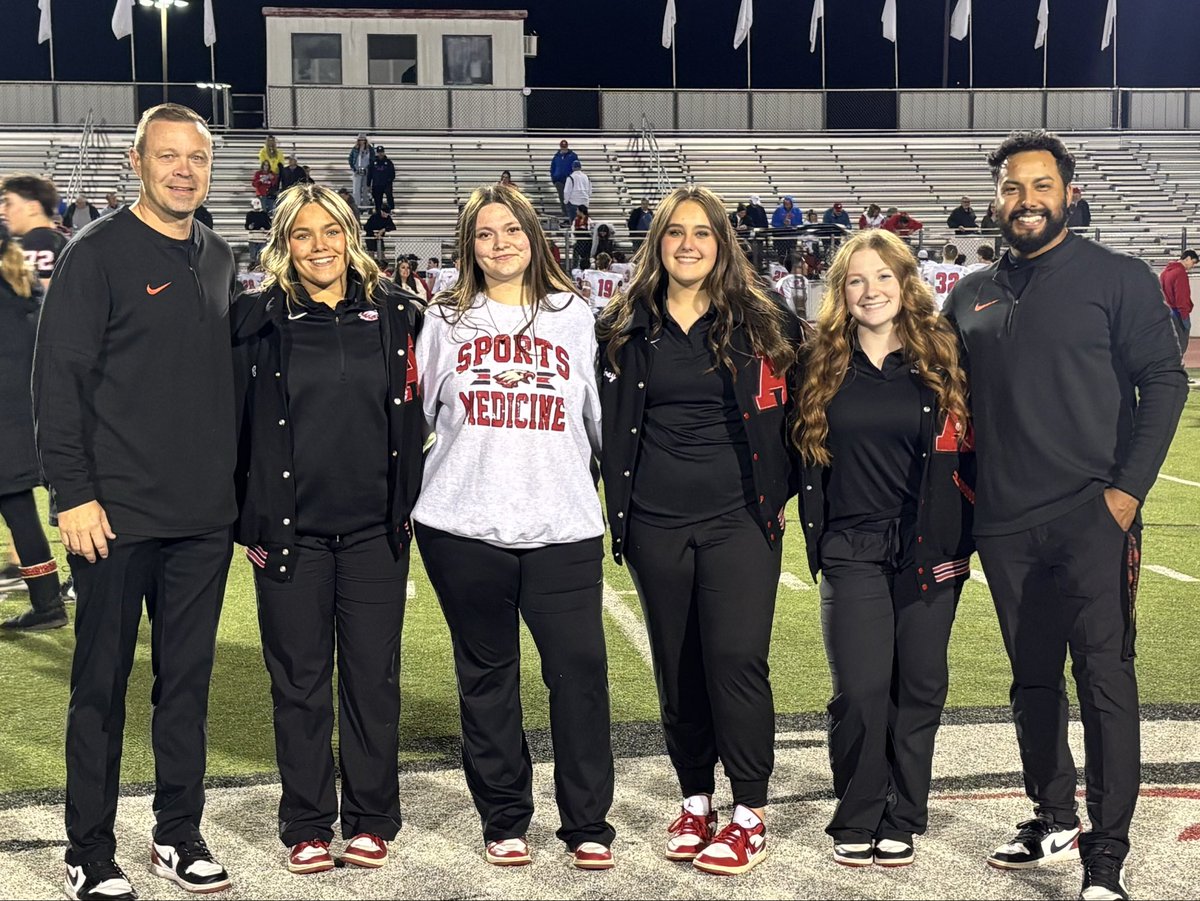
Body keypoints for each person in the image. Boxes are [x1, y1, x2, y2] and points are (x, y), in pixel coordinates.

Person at [943, 130, 1187, 901]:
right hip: (1006, 523)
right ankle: (1052, 813)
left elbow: (1166, 384)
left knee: (1105, 682)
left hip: (1093, 515)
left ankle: (1106, 858)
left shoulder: (1118, 277)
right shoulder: (969, 293)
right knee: (1032, 681)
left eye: (1041, 186)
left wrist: (1124, 496)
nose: (1026, 201)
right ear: (997, 199)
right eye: (1013, 188)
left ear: (1069, 193)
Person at [32, 102, 240, 901]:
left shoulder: (219, 254)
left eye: (197, 156)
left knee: (186, 685)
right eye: (168, 155)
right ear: (136, 161)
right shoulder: (97, 252)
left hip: (201, 521)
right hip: (113, 519)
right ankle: (87, 845)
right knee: (101, 686)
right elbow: (59, 382)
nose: (183, 169)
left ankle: (176, 831)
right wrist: (74, 496)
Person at [596, 185, 803, 877]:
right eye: (675, 232)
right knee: (678, 668)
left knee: (737, 660)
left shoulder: (764, 319)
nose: (688, 244)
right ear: (657, 244)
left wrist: (783, 493)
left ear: (722, 241)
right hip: (655, 523)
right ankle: (695, 797)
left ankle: (749, 811)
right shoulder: (623, 322)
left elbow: (807, 417)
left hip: (739, 519)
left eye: (702, 233)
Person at [412, 183, 615, 870]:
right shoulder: (445, 319)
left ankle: (588, 820)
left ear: (534, 236)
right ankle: (505, 817)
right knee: (487, 678)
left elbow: (600, 424)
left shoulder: (573, 316)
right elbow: (418, 418)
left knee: (579, 673)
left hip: (561, 526)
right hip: (463, 525)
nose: (499, 244)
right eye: (484, 234)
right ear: (468, 245)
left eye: (511, 230)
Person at [230, 182, 424, 877]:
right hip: (288, 536)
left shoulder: (399, 312)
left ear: (351, 235)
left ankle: (371, 817)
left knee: (373, 679)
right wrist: (241, 519)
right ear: (283, 244)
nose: (319, 246)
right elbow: (229, 426)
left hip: (375, 531)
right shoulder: (254, 318)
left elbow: (424, 411)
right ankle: (308, 821)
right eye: (303, 234)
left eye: (331, 231)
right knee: (299, 682)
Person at [794, 227, 974, 869]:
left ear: (906, 283)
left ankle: (903, 813)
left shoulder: (944, 355)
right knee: (862, 689)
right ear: (841, 292)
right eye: (856, 280)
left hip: (932, 547)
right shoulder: (817, 359)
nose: (871, 291)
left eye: (883, 277)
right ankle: (859, 810)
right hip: (850, 545)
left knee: (919, 687)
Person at [0, 220, 68, 632]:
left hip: (7, 416)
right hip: (27, 414)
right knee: (17, 506)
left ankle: (48, 603)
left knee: (18, 506)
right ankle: (47, 602)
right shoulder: (22, 283)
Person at [1, 173, 65, 291]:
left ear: (32, 207)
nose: (2, 210)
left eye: (8, 203)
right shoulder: (61, 241)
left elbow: (35, 298)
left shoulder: (38, 243)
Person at [1160, 249, 1196, 358]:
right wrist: (1185, 317)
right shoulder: (1180, 273)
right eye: (1193, 262)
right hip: (1178, 313)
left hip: (1167, 312)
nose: (1192, 265)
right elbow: (1182, 297)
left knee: (1169, 345)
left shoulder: (1165, 272)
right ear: (1187, 258)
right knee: (1180, 345)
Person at [922, 243, 968, 311]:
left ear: (943, 254)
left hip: (938, 305)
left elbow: (924, 281)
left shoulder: (933, 268)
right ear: (956, 256)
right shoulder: (963, 271)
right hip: (954, 307)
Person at [579, 251, 623, 317]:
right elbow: (617, 295)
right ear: (609, 262)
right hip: (608, 308)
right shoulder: (617, 276)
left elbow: (586, 292)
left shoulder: (589, 273)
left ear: (597, 262)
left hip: (594, 308)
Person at [550, 139, 579, 215]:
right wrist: (554, 178)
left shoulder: (572, 156)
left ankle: (571, 214)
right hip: (559, 180)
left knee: (570, 198)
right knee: (562, 198)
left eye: (565, 146)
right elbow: (553, 168)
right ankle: (565, 214)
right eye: (562, 147)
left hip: (569, 180)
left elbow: (576, 167)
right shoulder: (556, 156)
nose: (564, 148)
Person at [367, 145, 396, 215]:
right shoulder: (373, 163)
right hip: (376, 184)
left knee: (389, 196)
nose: (380, 154)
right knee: (377, 199)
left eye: (381, 152)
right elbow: (369, 174)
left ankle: (391, 209)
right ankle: (378, 211)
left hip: (386, 184)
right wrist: (368, 184)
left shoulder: (388, 162)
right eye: (379, 152)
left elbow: (393, 173)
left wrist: (389, 180)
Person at [244, 197, 271, 268]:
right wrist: (250, 226)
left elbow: (269, 225)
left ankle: (260, 263)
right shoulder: (250, 214)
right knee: (253, 251)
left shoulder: (264, 214)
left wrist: (264, 228)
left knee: (261, 252)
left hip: (262, 237)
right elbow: (247, 226)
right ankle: (253, 262)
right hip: (253, 236)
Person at [563, 160, 592, 225]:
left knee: (574, 223)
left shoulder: (570, 177)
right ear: (580, 167)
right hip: (584, 202)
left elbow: (567, 191)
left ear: (573, 168)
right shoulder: (586, 177)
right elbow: (590, 190)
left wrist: (566, 201)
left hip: (573, 202)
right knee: (584, 222)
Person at [348, 134, 373, 208]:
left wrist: (368, 168)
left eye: (363, 140)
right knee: (356, 190)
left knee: (365, 189)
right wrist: (354, 169)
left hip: (366, 171)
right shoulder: (355, 149)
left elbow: (372, 159)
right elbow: (350, 159)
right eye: (360, 140)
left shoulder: (370, 149)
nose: (362, 141)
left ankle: (366, 206)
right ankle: (357, 206)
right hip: (357, 171)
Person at [571, 204, 594, 271]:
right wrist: (573, 240)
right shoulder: (575, 220)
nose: (576, 211)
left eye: (577, 210)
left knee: (586, 257)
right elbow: (573, 230)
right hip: (578, 241)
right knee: (576, 256)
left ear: (581, 211)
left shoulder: (589, 220)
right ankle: (575, 269)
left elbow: (591, 230)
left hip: (586, 242)